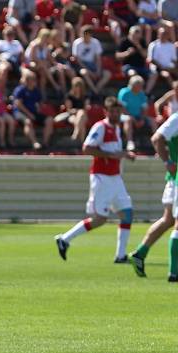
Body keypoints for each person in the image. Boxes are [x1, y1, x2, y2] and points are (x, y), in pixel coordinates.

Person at [55, 97, 137, 263]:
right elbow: (87, 148)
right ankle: (65, 239)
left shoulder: (117, 128)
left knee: (127, 214)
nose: (115, 114)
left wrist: (124, 154)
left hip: (115, 178)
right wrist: (111, 155)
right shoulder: (100, 127)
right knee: (99, 219)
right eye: (112, 111)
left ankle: (121, 255)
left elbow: (114, 151)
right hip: (102, 178)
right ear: (106, 112)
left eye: (118, 111)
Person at [128, 111, 178, 279]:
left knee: (168, 219)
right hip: (176, 178)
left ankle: (140, 254)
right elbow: (157, 138)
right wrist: (167, 162)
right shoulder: (177, 119)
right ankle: (174, 272)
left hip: (174, 179)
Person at [13, 69, 54, 150]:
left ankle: (45, 143)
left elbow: (38, 103)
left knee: (49, 120)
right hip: (20, 113)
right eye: (32, 80)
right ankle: (34, 143)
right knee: (28, 122)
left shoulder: (36, 90)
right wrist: (29, 114)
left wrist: (38, 109)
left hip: (33, 112)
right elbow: (18, 104)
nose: (34, 81)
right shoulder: (20, 90)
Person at [72, 26, 111, 96]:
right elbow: (78, 61)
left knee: (107, 74)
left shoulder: (95, 42)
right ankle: (95, 92)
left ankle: (96, 89)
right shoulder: (77, 43)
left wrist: (98, 70)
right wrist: (90, 72)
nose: (85, 36)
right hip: (82, 66)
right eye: (83, 34)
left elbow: (98, 59)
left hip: (93, 64)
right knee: (84, 73)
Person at [118, 74, 153, 150]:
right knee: (128, 119)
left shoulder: (141, 94)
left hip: (138, 116)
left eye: (140, 86)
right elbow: (122, 109)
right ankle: (130, 142)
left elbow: (144, 109)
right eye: (137, 86)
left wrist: (142, 119)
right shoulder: (124, 92)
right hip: (124, 115)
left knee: (153, 121)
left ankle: (155, 142)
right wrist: (134, 119)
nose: (139, 88)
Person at [56, 76, 90, 142]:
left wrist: (79, 111)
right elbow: (69, 110)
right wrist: (77, 111)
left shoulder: (85, 96)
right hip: (72, 115)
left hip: (84, 115)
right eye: (76, 86)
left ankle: (75, 133)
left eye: (79, 86)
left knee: (81, 113)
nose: (78, 88)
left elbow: (85, 109)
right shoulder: (69, 96)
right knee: (81, 123)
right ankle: (82, 142)